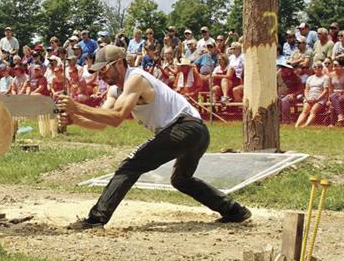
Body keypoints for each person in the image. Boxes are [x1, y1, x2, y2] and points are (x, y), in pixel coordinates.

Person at [59, 45, 251, 229]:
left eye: (104, 69)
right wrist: (76, 120)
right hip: (196, 131)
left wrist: (76, 107)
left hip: (184, 128)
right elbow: (103, 121)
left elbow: (117, 117)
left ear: (119, 63)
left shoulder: (135, 79)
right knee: (181, 180)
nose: (101, 74)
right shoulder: (116, 90)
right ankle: (234, 211)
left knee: (130, 165)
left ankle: (96, 219)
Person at [295, 61, 330, 128]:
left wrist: (317, 98)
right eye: (315, 67)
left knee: (313, 111)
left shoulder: (325, 78)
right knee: (305, 111)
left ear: (321, 68)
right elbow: (306, 89)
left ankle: (305, 125)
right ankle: (297, 125)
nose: (317, 68)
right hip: (309, 97)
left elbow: (325, 90)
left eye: (319, 67)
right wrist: (307, 98)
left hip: (320, 98)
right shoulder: (310, 78)